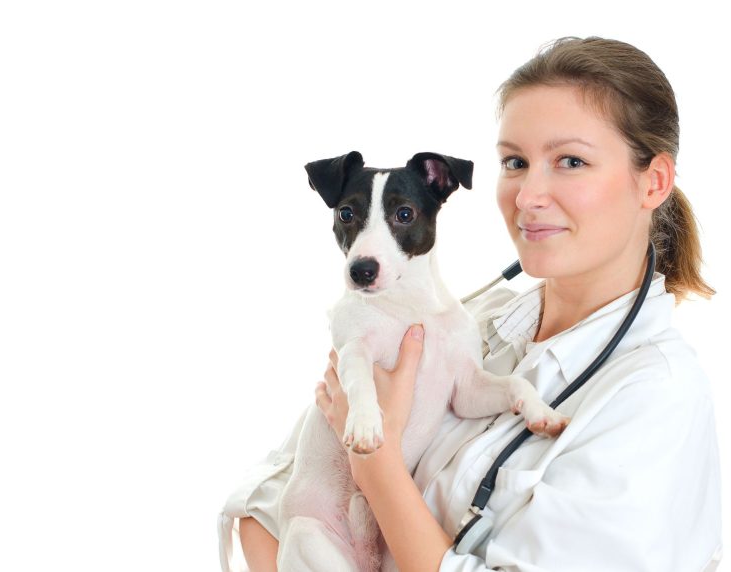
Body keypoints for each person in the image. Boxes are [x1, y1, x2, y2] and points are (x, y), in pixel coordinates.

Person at [218, 37, 722, 571]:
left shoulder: (656, 398)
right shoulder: (471, 320)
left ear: (655, 182)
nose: (528, 196)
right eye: (515, 162)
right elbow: (263, 499)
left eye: (571, 161)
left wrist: (377, 465)